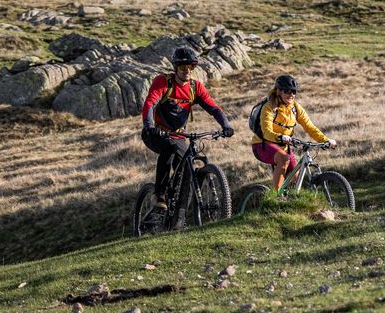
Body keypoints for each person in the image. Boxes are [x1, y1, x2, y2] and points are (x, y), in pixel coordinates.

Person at [141, 47, 234, 213]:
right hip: (156, 133)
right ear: (175, 68)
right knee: (169, 148)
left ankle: (179, 215)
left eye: (191, 68)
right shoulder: (163, 82)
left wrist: (225, 125)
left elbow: (214, 109)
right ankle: (159, 194)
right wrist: (148, 126)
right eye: (183, 67)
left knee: (186, 168)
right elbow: (150, 104)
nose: (187, 71)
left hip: (178, 135)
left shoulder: (195, 87)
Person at [251, 74, 336, 190]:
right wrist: (281, 137)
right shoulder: (269, 107)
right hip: (262, 145)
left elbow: (309, 127)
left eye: (294, 92)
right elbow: (266, 132)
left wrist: (325, 140)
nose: (291, 94)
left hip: (283, 147)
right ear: (278, 91)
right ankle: (276, 198)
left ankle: (289, 201)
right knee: (284, 159)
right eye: (287, 91)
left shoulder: (295, 108)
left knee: (295, 175)